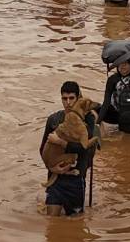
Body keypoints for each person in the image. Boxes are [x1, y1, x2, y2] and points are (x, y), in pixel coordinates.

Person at [40, 81, 98, 216]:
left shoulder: (88, 119)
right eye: (64, 99)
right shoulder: (54, 119)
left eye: (71, 98)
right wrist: (51, 168)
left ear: (78, 99)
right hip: (55, 177)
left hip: (76, 179)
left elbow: (85, 149)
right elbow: (42, 148)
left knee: (76, 224)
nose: (68, 102)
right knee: (52, 225)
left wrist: (61, 142)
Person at [98, 51, 130, 133]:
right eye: (119, 64)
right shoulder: (113, 79)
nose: (122, 67)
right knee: (94, 109)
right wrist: (98, 122)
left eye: (125, 64)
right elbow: (106, 101)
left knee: (127, 135)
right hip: (116, 112)